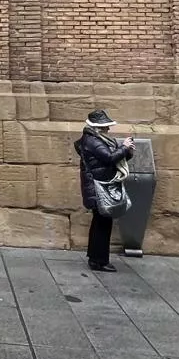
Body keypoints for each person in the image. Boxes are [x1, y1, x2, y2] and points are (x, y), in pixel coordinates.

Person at [75, 109, 131, 273]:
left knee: (100, 223)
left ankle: (95, 259)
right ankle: (99, 260)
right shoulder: (93, 141)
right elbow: (109, 158)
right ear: (98, 128)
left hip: (98, 186)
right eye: (105, 127)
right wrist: (125, 148)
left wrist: (127, 152)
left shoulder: (95, 139)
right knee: (102, 224)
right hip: (99, 187)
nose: (108, 129)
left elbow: (110, 159)